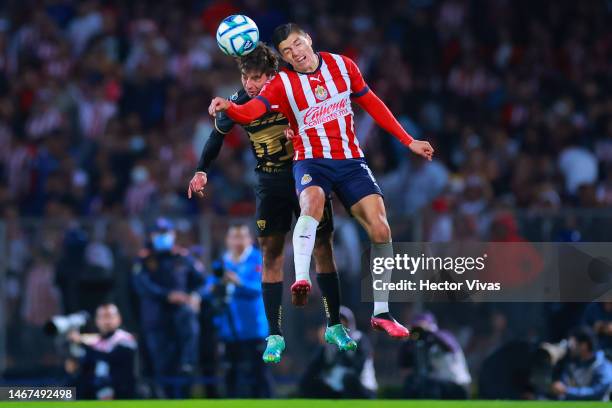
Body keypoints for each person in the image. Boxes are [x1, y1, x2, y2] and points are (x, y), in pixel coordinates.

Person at [208, 23, 434, 337]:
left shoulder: (343, 65)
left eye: (297, 44)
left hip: (351, 161)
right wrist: (230, 106)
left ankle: (382, 312)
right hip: (311, 159)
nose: (295, 53)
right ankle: (302, 277)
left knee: (381, 228)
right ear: (284, 58)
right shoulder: (283, 83)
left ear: (308, 40)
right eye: (287, 51)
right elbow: (251, 113)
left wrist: (407, 140)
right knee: (311, 205)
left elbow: (372, 103)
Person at [189, 43, 355, 363]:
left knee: (323, 248)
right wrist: (201, 170)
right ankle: (274, 335)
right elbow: (216, 137)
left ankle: (335, 323)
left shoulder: (294, 92)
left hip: (306, 175)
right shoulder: (239, 102)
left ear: (271, 76)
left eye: (255, 78)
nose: (249, 84)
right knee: (271, 255)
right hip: (269, 181)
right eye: (245, 77)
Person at [132, 217, 204, 395]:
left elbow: (202, 282)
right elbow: (141, 285)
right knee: (161, 367)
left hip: (182, 317)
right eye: (159, 233)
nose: (163, 236)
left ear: (173, 234)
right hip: (156, 320)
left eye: (166, 233)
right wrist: (167, 295)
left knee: (186, 366)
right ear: (151, 235)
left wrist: (196, 295)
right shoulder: (144, 260)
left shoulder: (183, 257)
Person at [200, 223, 271, 397]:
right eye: (234, 237)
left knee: (259, 373)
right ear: (228, 240)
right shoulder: (223, 261)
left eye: (241, 237)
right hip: (229, 328)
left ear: (249, 240)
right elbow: (210, 286)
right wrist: (209, 290)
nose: (238, 241)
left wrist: (238, 282)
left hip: (253, 328)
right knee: (231, 372)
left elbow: (262, 288)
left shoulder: (258, 259)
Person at [299, 306, 377, 399]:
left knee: (349, 378)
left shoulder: (359, 339)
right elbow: (313, 369)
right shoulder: (329, 344)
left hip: (362, 386)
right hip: (337, 389)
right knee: (307, 382)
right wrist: (323, 346)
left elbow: (358, 367)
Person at [66, 303, 137, 400]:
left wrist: (82, 343)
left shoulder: (125, 339)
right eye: (103, 317)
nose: (107, 321)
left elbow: (110, 358)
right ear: (97, 321)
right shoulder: (95, 342)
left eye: (110, 316)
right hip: (94, 388)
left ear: (119, 318)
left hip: (119, 390)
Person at [398, 312, 471, 399]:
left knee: (430, 388)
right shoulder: (421, 344)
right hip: (438, 386)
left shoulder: (445, 335)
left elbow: (449, 347)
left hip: (457, 384)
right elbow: (404, 364)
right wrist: (407, 338)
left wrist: (428, 331)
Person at [550, 326, 612, 401]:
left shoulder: (603, 366)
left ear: (584, 346)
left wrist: (566, 391)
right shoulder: (570, 363)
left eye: (573, 344)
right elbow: (560, 386)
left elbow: (597, 393)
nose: (570, 348)